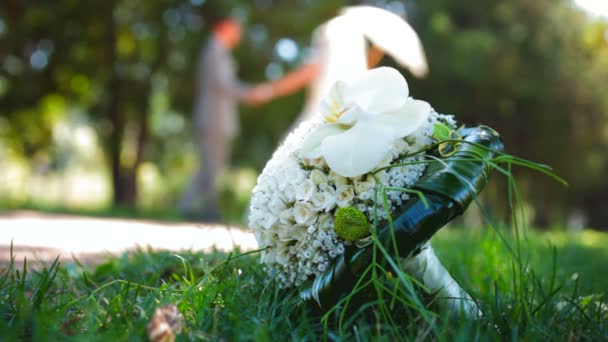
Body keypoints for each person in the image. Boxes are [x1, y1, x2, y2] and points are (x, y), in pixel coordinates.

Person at [250, 5, 429, 129]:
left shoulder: (332, 28)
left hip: (326, 110)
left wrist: (270, 90)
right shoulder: (356, 37)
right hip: (354, 113)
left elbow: (312, 69)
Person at [178, 18, 263, 220]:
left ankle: (188, 206)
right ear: (224, 28)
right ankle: (206, 209)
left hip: (218, 119)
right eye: (236, 31)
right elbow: (223, 84)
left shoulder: (219, 51)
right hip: (213, 118)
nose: (238, 36)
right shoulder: (214, 50)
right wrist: (249, 93)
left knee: (210, 166)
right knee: (212, 166)